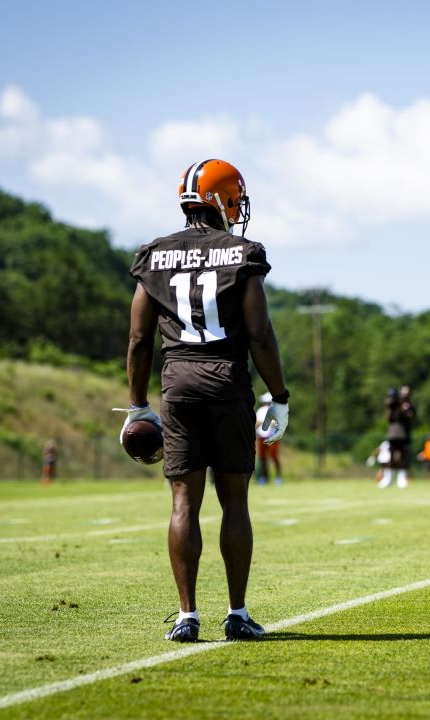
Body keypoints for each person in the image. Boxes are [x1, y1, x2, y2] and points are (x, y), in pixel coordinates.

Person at [121, 158, 289, 643]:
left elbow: (138, 339)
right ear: (223, 198)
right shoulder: (243, 252)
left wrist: (136, 405)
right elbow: (258, 332)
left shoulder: (154, 254)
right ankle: (237, 613)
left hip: (177, 386)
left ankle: (187, 616)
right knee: (234, 500)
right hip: (227, 381)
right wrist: (278, 395)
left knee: (182, 501)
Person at [379, 386, 416, 488]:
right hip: (392, 433)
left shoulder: (408, 405)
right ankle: (388, 478)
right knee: (391, 456)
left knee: (402, 456)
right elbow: (389, 406)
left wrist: (405, 408)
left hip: (403, 434)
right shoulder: (394, 404)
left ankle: (401, 478)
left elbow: (410, 416)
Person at [254, 393, 284, 486]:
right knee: (262, 458)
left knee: (274, 457)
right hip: (261, 437)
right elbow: (257, 423)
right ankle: (264, 477)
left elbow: (275, 423)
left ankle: (278, 477)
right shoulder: (260, 411)